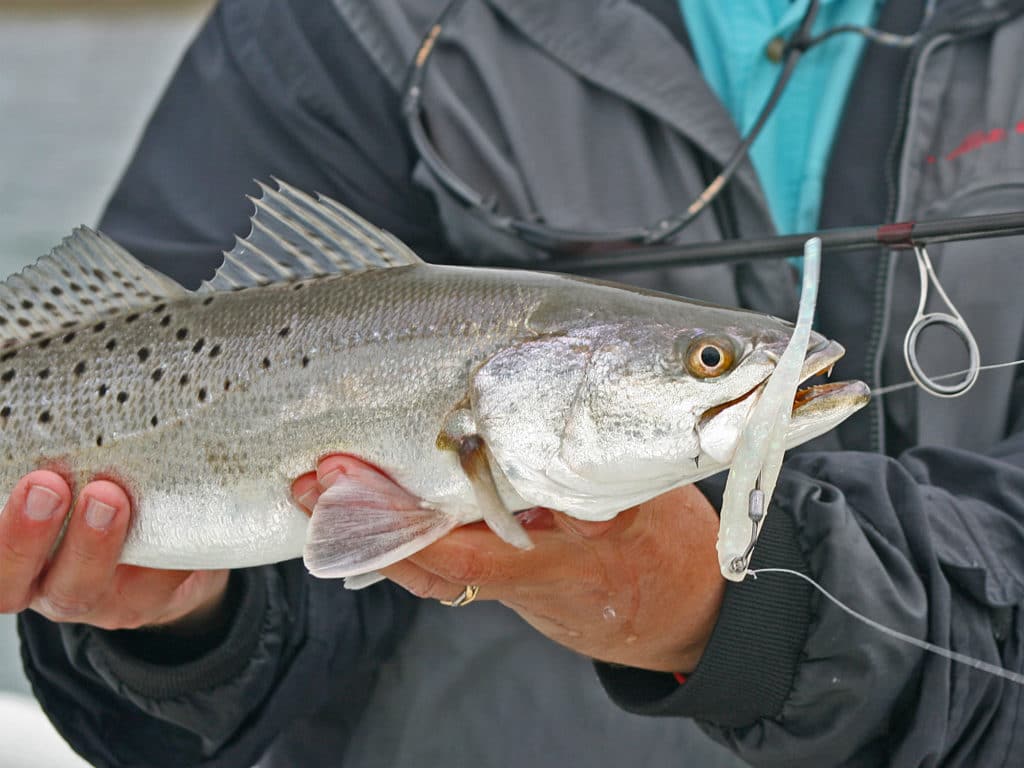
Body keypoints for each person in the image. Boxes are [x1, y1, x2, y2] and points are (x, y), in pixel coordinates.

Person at [4, 0, 1024, 765]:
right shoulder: (344, 24)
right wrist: (191, 627)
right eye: (709, 360)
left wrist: (730, 613)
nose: (734, 373)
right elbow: (240, 642)